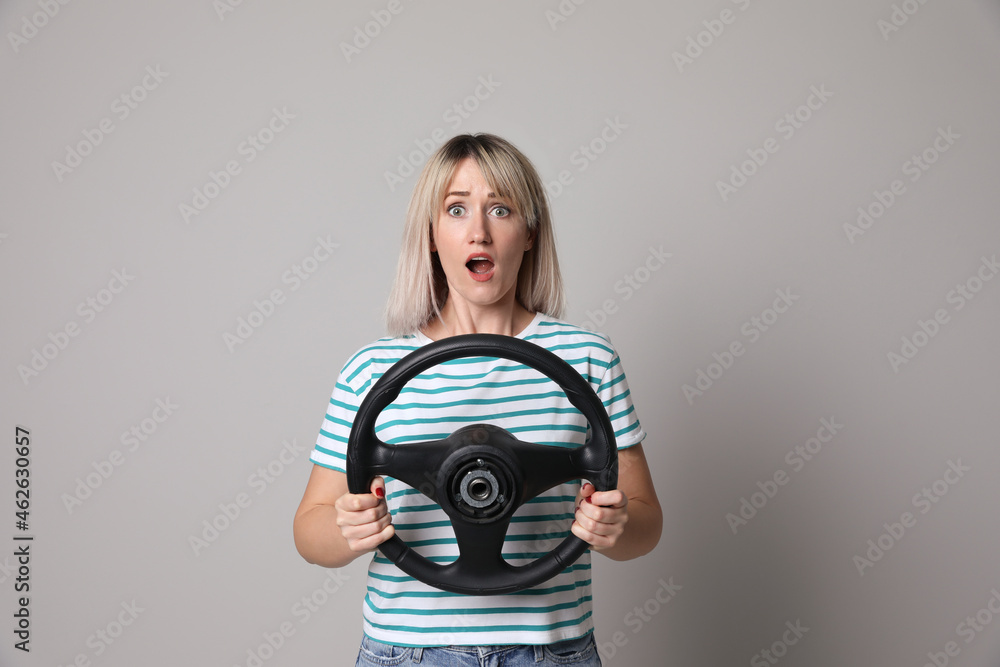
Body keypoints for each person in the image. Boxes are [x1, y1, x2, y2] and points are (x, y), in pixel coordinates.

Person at [293, 133, 661, 666]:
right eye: (457, 209)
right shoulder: (372, 369)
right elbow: (310, 531)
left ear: (529, 233)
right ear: (432, 235)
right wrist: (348, 528)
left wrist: (615, 525)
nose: (479, 231)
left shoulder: (587, 359)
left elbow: (646, 524)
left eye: (501, 209)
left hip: (551, 651)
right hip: (408, 653)